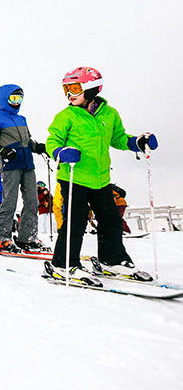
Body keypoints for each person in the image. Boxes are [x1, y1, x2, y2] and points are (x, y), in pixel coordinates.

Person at [45, 66, 157, 284]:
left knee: (111, 219)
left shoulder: (110, 114)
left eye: (74, 88)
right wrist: (60, 152)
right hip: (73, 176)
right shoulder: (66, 116)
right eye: (66, 89)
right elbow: (52, 141)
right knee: (75, 222)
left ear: (91, 88)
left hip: (101, 178)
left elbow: (118, 138)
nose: (69, 94)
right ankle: (63, 264)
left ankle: (111, 260)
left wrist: (137, 143)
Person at [0, 84, 48, 252]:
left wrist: (38, 147)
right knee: (10, 201)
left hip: (27, 164)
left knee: (32, 202)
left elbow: (28, 141)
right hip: (10, 164)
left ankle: (27, 237)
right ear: (4, 99)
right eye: (13, 98)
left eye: (19, 98)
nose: (16, 102)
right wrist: (1, 151)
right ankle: (0, 237)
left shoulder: (22, 119)